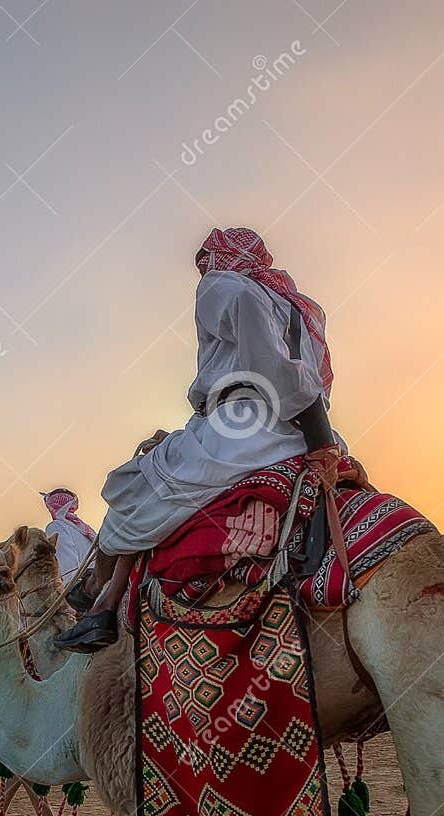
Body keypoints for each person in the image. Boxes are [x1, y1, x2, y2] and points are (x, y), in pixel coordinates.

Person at [55, 226, 340, 652]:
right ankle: (103, 603)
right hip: (301, 429)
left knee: (128, 484)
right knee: (158, 469)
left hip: (242, 431)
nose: (203, 269)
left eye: (206, 260)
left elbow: (275, 372)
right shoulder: (302, 306)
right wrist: (321, 441)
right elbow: (303, 379)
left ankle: (100, 600)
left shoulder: (224, 285)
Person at [41, 488, 97, 581]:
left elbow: (68, 564)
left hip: (84, 587)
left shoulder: (55, 526)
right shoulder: (85, 528)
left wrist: (70, 589)